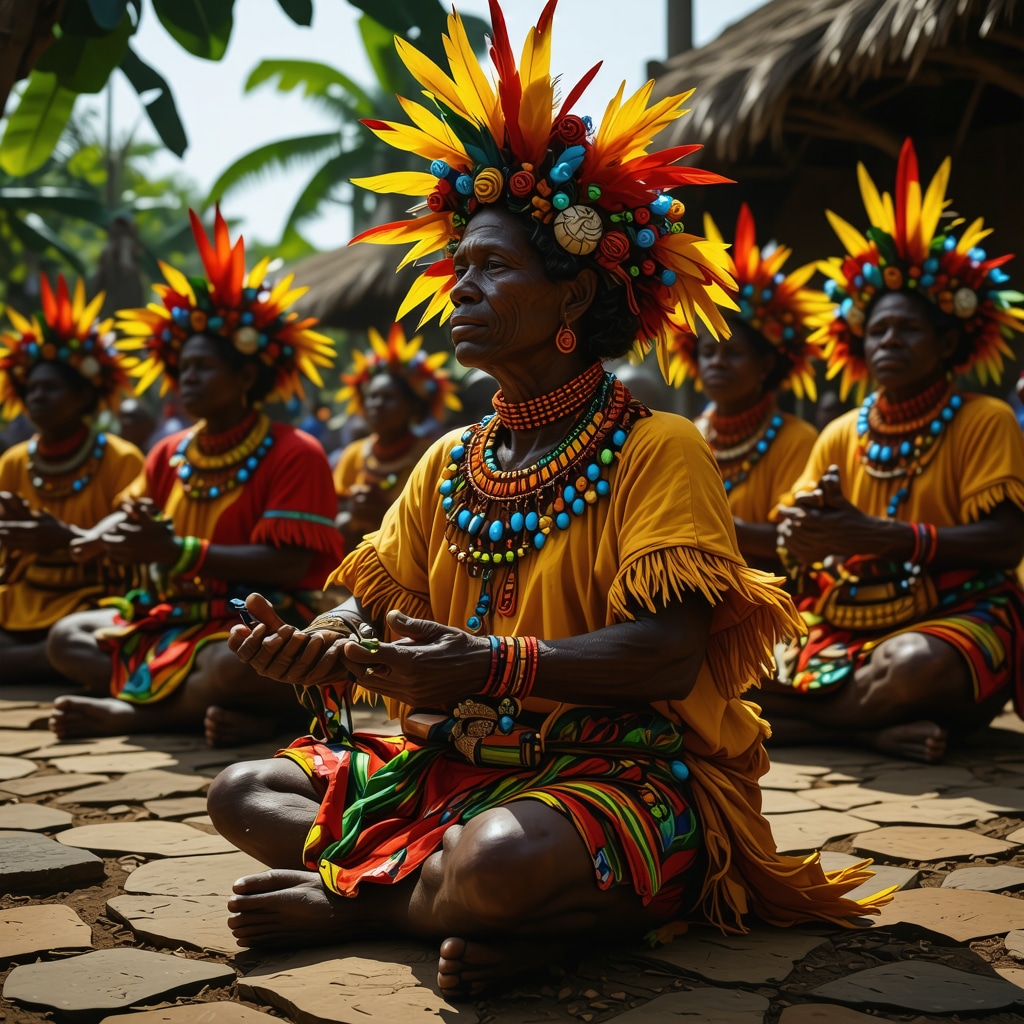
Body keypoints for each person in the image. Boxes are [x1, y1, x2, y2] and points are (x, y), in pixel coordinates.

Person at [206, 0, 885, 999]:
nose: (459, 288)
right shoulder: (449, 458)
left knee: (502, 863)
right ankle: (500, 912)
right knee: (243, 790)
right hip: (455, 763)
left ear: (571, 297)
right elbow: (380, 604)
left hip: (617, 772)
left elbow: (668, 651)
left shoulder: (658, 447)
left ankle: (380, 900)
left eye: (488, 267)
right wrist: (321, 641)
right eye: (456, 266)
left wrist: (493, 660)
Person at [760, 139, 1024, 763]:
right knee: (729, 663)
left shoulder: (984, 419)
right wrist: (804, 533)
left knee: (913, 667)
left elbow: (1007, 543)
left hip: (959, 610)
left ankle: (815, 724)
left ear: (949, 338)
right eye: (877, 330)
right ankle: (861, 731)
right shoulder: (840, 433)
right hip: (843, 613)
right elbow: (795, 538)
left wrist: (882, 536)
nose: (888, 341)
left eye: (907, 329)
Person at [46, 209, 345, 745]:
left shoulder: (295, 450)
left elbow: (291, 564)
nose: (187, 380)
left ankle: (143, 715)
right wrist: (88, 539)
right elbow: (132, 516)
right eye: (182, 369)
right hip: (174, 615)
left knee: (242, 662)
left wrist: (181, 553)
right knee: (68, 637)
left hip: (251, 614)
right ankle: (239, 714)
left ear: (247, 375)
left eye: (202, 368)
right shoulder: (168, 451)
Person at [0, 276, 143, 684]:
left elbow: (136, 553)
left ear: (83, 397)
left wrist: (65, 540)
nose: (36, 397)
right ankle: (50, 660)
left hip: (92, 599)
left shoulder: (121, 458)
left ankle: (49, 658)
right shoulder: (12, 462)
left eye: (51, 388)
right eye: (31, 389)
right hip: (22, 600)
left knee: (87, 634)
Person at [667, 205, 821, 571]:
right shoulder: (688, 438)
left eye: (733, 352)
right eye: (708, 352)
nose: (717, 363)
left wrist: (707, 530)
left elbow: (795, 541)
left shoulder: (798, 440)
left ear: (765, 365)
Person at [333, 324, 459, 549]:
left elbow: (438, 524)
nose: (377, 405)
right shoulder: (354, 454)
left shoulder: (430, 456)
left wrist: (383, 514)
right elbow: (334, 508)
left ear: (413, 408)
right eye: (372, 397)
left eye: (388, 397)